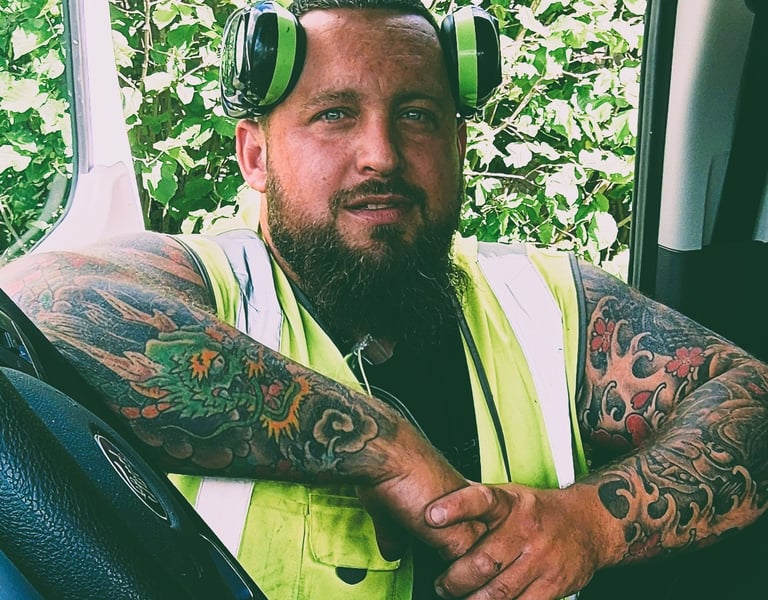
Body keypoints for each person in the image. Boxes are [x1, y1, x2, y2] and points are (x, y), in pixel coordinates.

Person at [1, 0, 767, 598]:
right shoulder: (205, 284)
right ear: (256, 154)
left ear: (460, 147)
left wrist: (589, 524)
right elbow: (40, 302)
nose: (381, 154)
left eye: (418, 115)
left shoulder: (543, 298)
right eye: (335, 115)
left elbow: (748, 399)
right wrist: (387, 453)